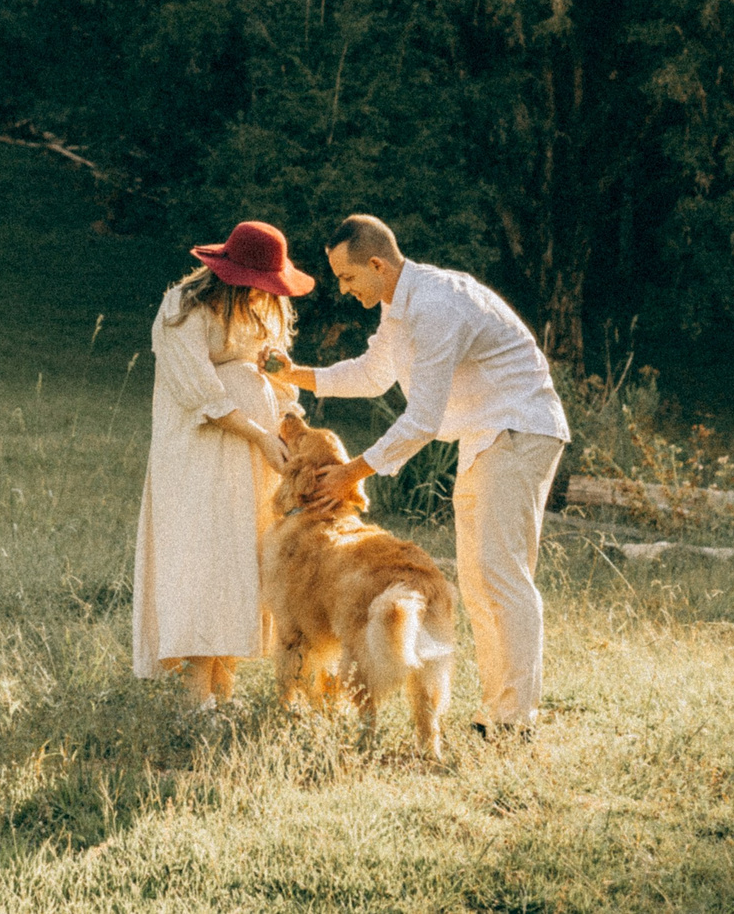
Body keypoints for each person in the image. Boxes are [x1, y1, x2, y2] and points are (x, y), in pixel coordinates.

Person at [262, 214, 569, 736]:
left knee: (503, 573)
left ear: (377, 264)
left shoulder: (433, 306)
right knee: (476, 579)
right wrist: (295, 375)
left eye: (348, 277)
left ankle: (518, 719)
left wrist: (349, 474)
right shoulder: (397, 309)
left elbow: (422, 419)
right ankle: (496, 711)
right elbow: (371, 373)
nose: (343, 289)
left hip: (519, 429)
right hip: (485, 436)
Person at [131, 219, 313, 707]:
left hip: (255, 458)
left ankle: (224, 688)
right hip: (201, 451)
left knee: (242, 557)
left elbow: (278, 377)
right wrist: (257, 433)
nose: (265, 293)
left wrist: (289, 421)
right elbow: (198, 390)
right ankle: (196, 696)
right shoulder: (183, 310)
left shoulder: (266, 309)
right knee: (205, 557)